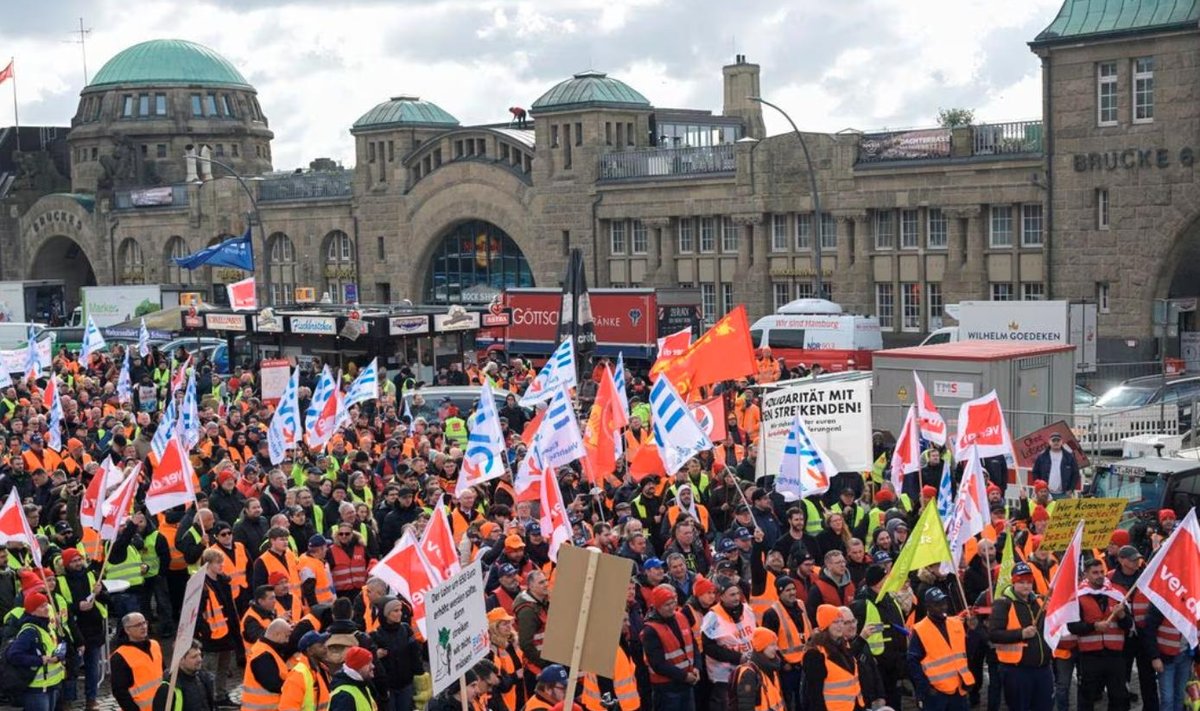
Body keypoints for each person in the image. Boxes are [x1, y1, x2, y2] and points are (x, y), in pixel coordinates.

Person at [987, 562, 1053, 711]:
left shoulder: (1039, 601)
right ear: (1013, 582)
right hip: (1017, 670)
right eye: (1021, 582)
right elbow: (993, 634)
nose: (1026, 586)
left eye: (1029, 582)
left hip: (1043, 668)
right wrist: (1021, 634)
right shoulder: (1002, 603)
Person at [1068, 558, 1132, 711]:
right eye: (1095, 573)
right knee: (1087, 697)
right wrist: (1094, 626)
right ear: (1086, 575)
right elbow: (1072, 626)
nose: (1100, 575)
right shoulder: (1078, 597)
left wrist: (1122, 615)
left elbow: (1129, 626)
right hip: (1090, 656)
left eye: (1102, 572)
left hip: (1115, 655)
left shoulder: (1116, 594)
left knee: (1119, 697)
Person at [907, 588, 976, 711]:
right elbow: (913, 663)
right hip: (936, 693)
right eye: (937, 604)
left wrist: (973, 631)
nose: (943, 607)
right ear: (928, 606)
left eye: (944, 603)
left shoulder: (956, 623)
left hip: (959, 689)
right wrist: (925, 687)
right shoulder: (920, 629)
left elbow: (968, 651)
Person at [641, 583, 700, 711]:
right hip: (666, 688)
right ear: (658, 606)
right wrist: (685, 676)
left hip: (686, 683)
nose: (671, 607)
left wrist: (696, 667)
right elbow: (658, 664)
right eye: (667, 605)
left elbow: (693, 644)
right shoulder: (651, 630)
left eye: (673, 603)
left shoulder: (681, 617)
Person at [701, 577, 756, 711]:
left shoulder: (747, 610)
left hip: (748, 669)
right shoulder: (713, 616)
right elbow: (709, 647)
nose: (737, 597)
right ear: (722, 597)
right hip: (724, 676)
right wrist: (737, 657)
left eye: (738, 593)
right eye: (732, 595)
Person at [4, 592, 65, 711]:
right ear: (32, 611)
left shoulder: (48, 627)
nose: (47, 608)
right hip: (37, 689)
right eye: (42, 606)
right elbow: (13, 655)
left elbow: (58, 645)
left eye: (46, 604)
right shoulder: (29, 631)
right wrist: (39, 660)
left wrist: (59, 655)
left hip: (52, 685)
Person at [801, 604, 865, 711]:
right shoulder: (815, 654)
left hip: (854, 706)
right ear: (826, 625)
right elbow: (814, 694)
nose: (840, 625)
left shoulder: (844, 645)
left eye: (841, 621)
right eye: (835, 622)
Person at [370, 597, 423, 711]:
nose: (400, 613)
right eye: (396, 611)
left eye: (400, 610)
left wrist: (420, 673)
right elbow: (371, 663)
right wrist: (375, 654)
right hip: (388, 688)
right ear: (386, 613)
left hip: (406, 685)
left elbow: (415, 655)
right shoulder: (375, 635)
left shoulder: (406, 629)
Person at [110, 612, 164, 711]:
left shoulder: (155, 645)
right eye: (138, 625)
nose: (143, 627)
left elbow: (163, 673)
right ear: (127, 630)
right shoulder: (120, 656)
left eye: (144, 623)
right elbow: (120, 691)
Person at [513, 569, 551, 695]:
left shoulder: (543, 602)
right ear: (531, 586)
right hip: (537, 667)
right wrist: (544, 664)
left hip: (545, 662)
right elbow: (526, 643)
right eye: (541, 582)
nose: (546, 584)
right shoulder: (527, 611)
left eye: (546, 581)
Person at [243, 618, 293, 710]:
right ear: (277, 634)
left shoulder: (266, 648)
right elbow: (274, 684)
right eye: (286, 636)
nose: (287, 640)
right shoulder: (262, 656)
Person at [152, 641, 217, 711]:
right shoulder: (167, 689)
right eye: (194, 657)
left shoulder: (204, 679)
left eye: (200, 655)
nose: (199, 659)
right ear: (181, 659)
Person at [732, 627, 784, 711]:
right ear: (761, 647)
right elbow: (746, 707)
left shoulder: (773, 668)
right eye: (772, 645)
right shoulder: (749, 673)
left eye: (776, 644)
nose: (776, 648)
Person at [279, 631, 332, 711]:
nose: (325, 647)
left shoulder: (322, 669)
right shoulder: (298, 675)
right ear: (309, 651)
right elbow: (287, 708)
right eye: (320, 645)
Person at [329, 645, 379, 711]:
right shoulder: (344, 696)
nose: (373, 666)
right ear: (358, 666)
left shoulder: (362, 685)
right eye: (368, 663)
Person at [1030, 433, 1079, 497]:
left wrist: (1070, 490)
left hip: (1064, 494)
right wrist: (1039, 487)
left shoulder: (1069, 457)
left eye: (1058, 440)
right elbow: (1035, 472)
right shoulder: (1042, 456)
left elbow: (1075, 474)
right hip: (1046, 494)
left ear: (1061, 442)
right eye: (1053, 441)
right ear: (1049, 442)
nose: (1056, 443)